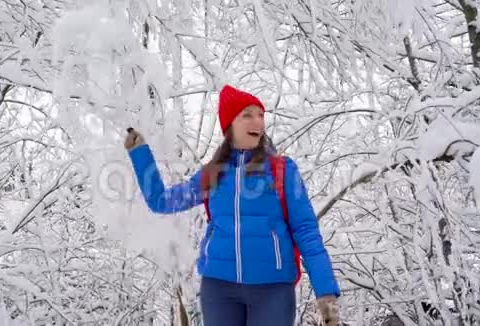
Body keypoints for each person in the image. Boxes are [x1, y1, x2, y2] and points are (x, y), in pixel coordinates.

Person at [124, 85, 340, 326]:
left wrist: (325, 292)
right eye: (247, 115)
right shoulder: (212, 174)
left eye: (260, 114)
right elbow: (162, 201)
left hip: (273, 289)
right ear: (230, 126)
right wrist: (140, 154)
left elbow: (306, 231)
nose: (257, 121)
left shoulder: (282, 170)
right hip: (219, 288)